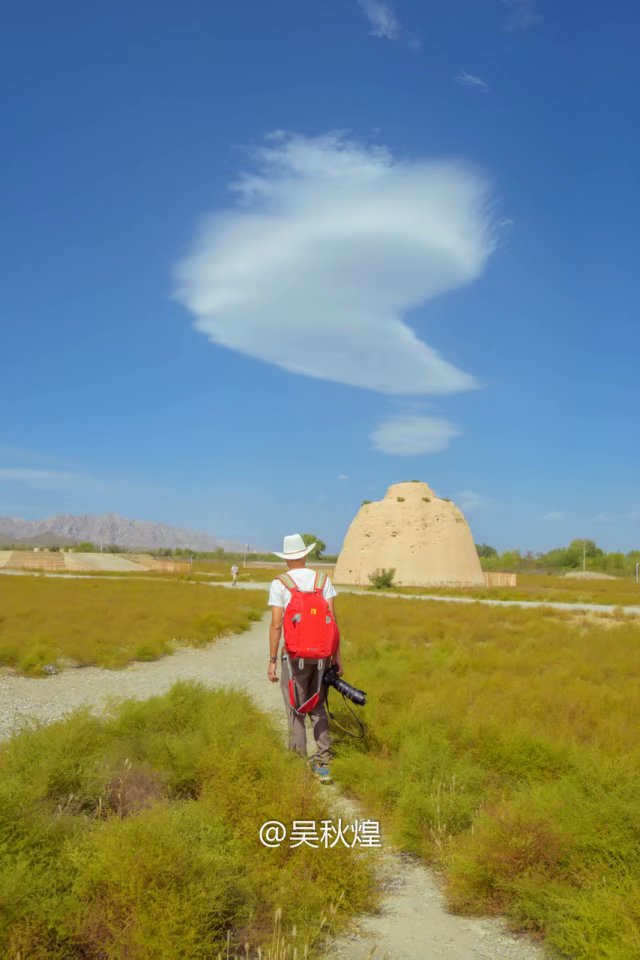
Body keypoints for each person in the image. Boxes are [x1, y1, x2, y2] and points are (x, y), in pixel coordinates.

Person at [268, 533, 343, 784]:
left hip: (294, 657)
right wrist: (337, 659)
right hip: (322, 657)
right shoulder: (323, 580)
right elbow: (333, 622)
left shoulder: (280, 583)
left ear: (287, 559)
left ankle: (298, 767)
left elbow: (277, 625)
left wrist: (271, 660)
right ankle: (324, 765)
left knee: (295, 710)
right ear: (306, 554)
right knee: (318, 707)